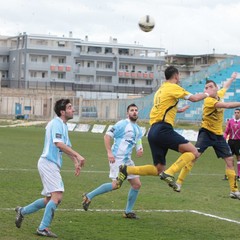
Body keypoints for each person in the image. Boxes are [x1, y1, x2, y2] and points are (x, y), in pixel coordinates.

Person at [117, 65, 215, 190]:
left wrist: (178, 110)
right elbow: (195, 98)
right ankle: (170, 173)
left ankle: (127, 169)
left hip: (153, 131)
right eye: (179, 75)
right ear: (176, 75)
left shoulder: (160, 90)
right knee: (193, 152)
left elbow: (162, 107)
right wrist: (208, 93)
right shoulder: (173, 87)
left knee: (158, 169)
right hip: (163, 129)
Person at [15, 98, 85, 238]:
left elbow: (66, 147)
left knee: (49, 199)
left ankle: (22, 211)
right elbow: (58, 143)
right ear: (62, 111)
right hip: (48, 163)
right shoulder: (56, 123)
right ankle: (43, 228)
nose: (74, 110)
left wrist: (75, 161)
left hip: (50, 164)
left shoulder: (63, 125)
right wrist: (78, 155)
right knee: (57, 196)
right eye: (70, 107)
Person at [175, 73, 240, 199]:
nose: (207, 89)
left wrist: (231, 78)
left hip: (218, 135)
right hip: (206, 132)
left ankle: (233, 190)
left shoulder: (219, 95)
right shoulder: (209, 100)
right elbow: (226, 106)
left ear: (215, 89)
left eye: (210, 87)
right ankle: (178, 182)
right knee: (195, 156)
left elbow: (225, 87)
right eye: (205, 88)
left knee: (229, 160)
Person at [82, 103, 143, 219]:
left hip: (128, 160)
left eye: (136, 110)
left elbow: (138, 140)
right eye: (131, 110)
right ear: (127, 113)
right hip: (117, 159)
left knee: (136, 184)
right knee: (116, 185)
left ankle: (128, 211)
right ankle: (89, 196)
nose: (134, 112)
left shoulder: (138, 128)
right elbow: (107, 136)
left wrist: (140, 149)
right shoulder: (122, 124)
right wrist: (109, 152)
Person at [223, 108, 240, 181]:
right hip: (231, 142)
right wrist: (224, 138)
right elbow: (226, 131)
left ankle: (239, 175)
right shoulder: (230, 121)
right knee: (228, 158)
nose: (236, 114)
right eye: (235, 112)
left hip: (238, 142)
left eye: (238, 113)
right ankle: (227, 175)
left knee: (238, 158)